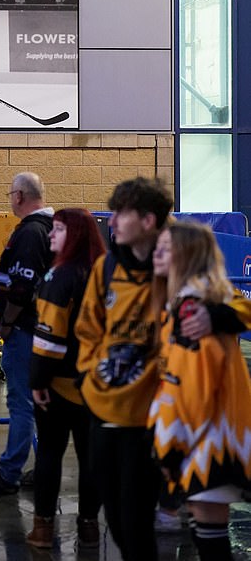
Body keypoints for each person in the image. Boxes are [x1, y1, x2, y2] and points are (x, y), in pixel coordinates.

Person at [75, 177, 246, 561]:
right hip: (103, 411)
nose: (112, 221)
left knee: (139, 524)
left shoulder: (176, 264)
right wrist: (90, 377)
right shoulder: (105, 269)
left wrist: (215, 314)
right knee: (117, 523)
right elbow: (86, 330)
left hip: (152, 419)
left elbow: (235, 302)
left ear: (148, 221)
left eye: (121, 213)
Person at [148, 221, 251, 561]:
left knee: (210, 539)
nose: (156, 254)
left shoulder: (192, 306)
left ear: (185, 255)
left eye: (165, 248)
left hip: (206, 438)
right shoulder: (198, 299)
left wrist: (172, 444)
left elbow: (190, 384)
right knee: (205, 532)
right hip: (210, 433)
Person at [0, 172, 53, 496]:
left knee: (21, 403)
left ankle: (9, 473)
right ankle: (44, 466)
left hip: (24, 329)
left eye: (9, 194)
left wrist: (6, 322)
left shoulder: (31, 233)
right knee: (40, 403)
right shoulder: (49, 229)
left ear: (18, 196)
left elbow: (23, 285)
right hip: (40, 329)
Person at [27, 208, 106, 550]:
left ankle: (43, 529)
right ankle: (89, 526)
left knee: (49, 454)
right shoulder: (105, 273)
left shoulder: (59, 277)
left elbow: (49, 337)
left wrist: (38, 381)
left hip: (59, 384)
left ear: (73, 235)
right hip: (96, 383)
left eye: (57, 230)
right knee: (91, 458)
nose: (50, 236)